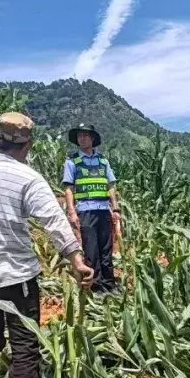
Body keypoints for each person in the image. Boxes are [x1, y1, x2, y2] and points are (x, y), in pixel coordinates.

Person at [0, 112, 95, 378]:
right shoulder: (27, 177)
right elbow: (53, 220)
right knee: (24, 343)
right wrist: (76, 258)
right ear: (28, 145)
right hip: (13, 270)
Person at [62, 124, 120, 293]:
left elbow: (110, 186)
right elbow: (68, 188)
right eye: (80, 136)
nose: (82, 138)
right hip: (85, 211)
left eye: (86, 135)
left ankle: (110, 285)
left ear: (92, 139)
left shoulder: (103, 161)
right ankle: (96, 288)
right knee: (91, 251)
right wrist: (71, 211)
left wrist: (115, 209)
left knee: (106, 250)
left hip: (103, 210)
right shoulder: (73, 161)